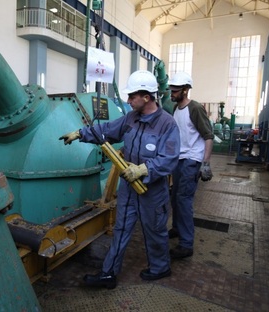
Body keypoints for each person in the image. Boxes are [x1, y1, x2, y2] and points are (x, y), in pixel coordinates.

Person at [59, 70, 180, 289]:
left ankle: (161, 267)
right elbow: (106, 130)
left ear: (146, 97)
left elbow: (169, 158)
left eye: (132, 96)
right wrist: (80, 133)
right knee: (122, 228)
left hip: (152, 191)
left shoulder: (167, 124)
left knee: (154, 230)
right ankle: (108, 274)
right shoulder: (130, 118)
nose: (128, 100)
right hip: (128, 188)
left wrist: (143, 169)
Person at [167, 72, 214, 259]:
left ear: (185, 90)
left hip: (192, 160)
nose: (172, 93)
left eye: (175, 90)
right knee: (175, 197)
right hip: (179, 159)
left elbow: (208, 136)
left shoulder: (194, 108)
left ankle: (186, 244)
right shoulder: (175, 109)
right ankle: (177, 228)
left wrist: (206, 163)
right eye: (171, 89)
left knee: (184, 200)